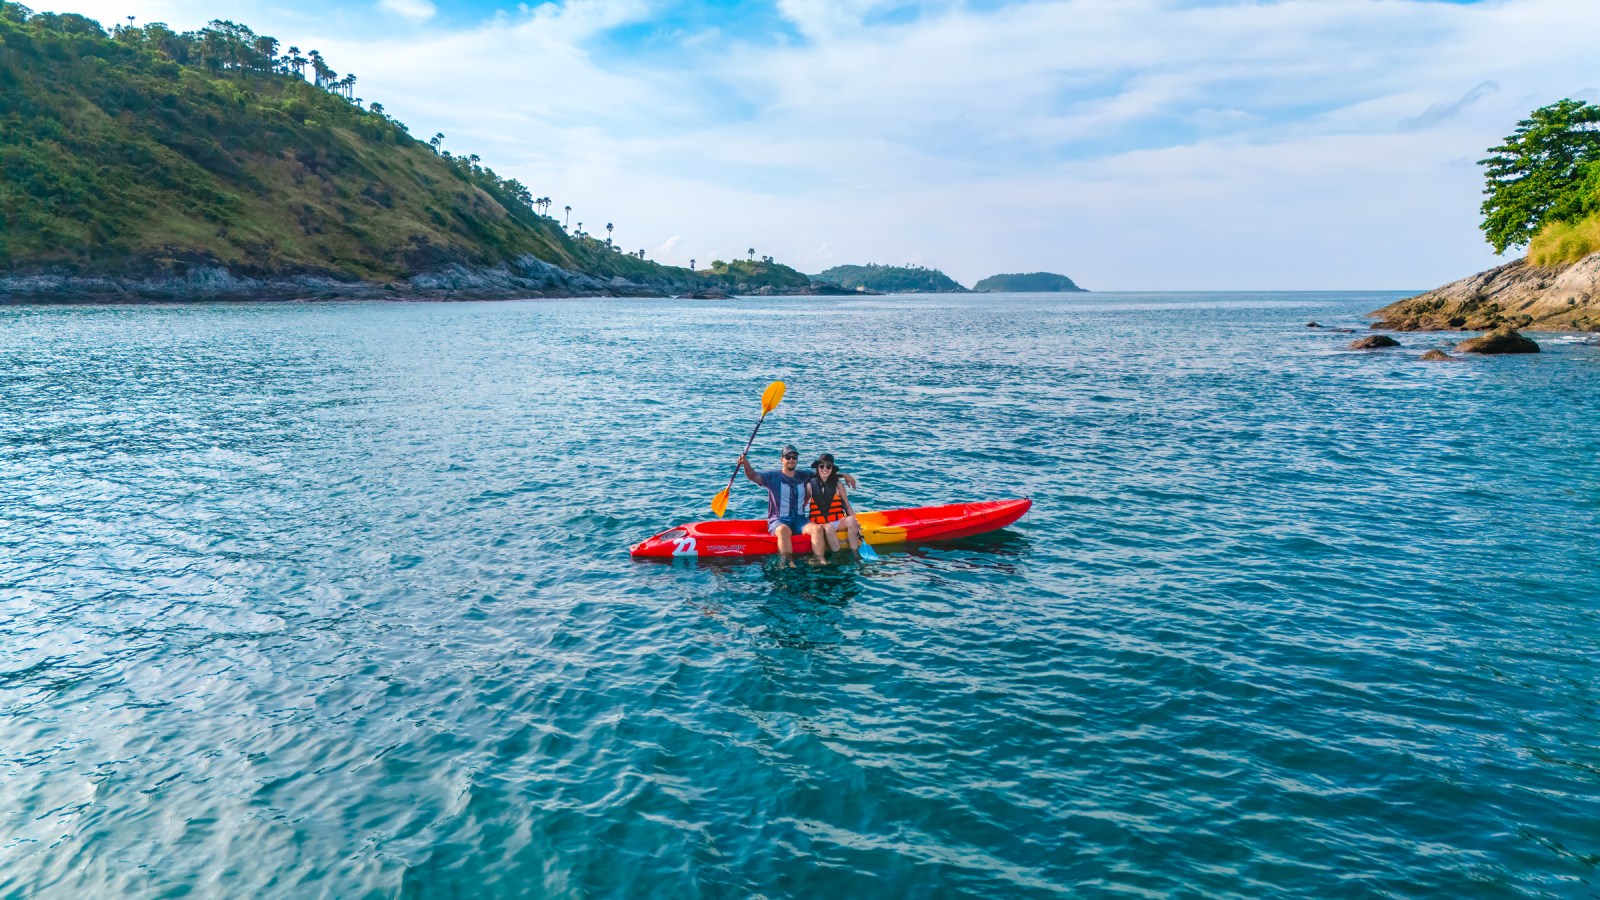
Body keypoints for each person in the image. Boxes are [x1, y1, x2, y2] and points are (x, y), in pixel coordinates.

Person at [740, 444, 855, 558]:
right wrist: (746, 465)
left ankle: (820, 561)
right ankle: (788, 562)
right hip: (779, 520)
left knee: (817, 529)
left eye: (794, 457)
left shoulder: (803, 475)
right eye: (788, 457)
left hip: (800, 520)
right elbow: (754, 476)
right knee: (783, 530)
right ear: (782, 459)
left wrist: (844, 475)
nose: (791, 460)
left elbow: (823, 473)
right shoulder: (772, 477)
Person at [802, 453, 863, 562]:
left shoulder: (838, 485)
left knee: (851, 520)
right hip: (820, 524)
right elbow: (802, 506)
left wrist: (856, 521)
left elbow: (847, 506)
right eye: (822, 466)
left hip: (837, 521)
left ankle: (855, 553)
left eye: (828, 467)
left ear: (832, 469)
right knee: (829, 528)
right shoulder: (810, 486)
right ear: (818, 468)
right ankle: (838, 555)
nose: (825, 469)